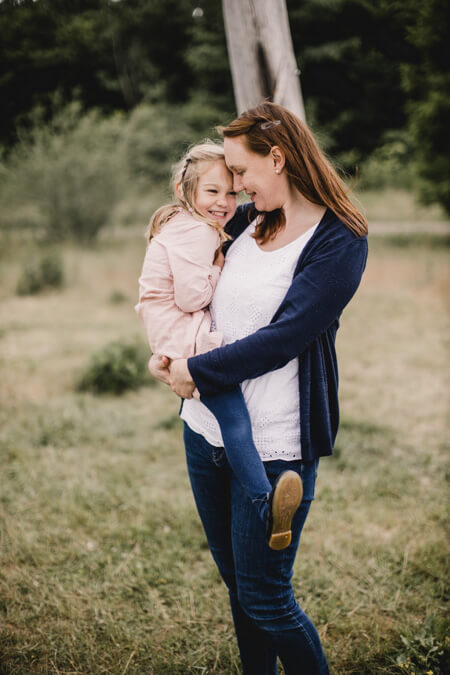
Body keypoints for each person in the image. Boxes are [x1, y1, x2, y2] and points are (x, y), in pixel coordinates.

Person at [150, 102, 368, 675]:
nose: (237, 189)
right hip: (204, 430)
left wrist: (197, 372)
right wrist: (171, 350)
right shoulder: (250, 221)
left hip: (276, 445)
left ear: (278, 158)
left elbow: (286, 336)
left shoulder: (339, 239)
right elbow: (191, 286)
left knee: (268, 600)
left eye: (242, 174)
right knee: (240, 592)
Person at [136, 140, 304, 552]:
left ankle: (265, 504)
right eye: (212, 191)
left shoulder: (179, 223)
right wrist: (218, 265)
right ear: (184, 190)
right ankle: (267, 505)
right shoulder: (196, 232)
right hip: (184, 338)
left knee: (230, 418)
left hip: (170, 334)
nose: (225, 202)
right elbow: (193, 297)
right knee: (235, 419)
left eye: (231, 192)